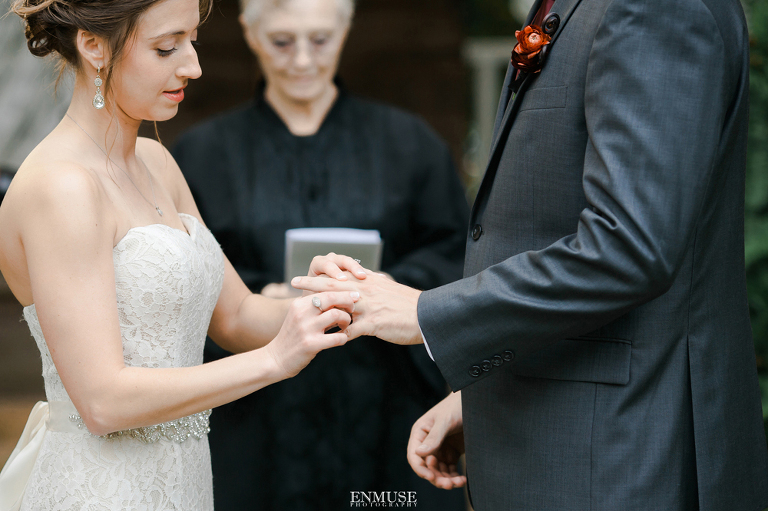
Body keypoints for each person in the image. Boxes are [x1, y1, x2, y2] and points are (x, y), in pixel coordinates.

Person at [293, 0, 768, 509]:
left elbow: (628, 247)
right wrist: (483, 394)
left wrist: (424, 313)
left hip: (620, 452)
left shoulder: (655, 7)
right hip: (567, 432)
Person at [0, 0, 363, 508]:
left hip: (186, 481)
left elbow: (237, 315)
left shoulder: (156, 161)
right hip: (104, 490)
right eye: (166, 47)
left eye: (192, 40)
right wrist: (275, 361)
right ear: (93, 46)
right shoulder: (62, 187)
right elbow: (102, 401)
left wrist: (339, 299)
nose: (192, 65)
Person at [171, 0, 469, 508]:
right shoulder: (201, 155)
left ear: (345, 29)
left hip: (385, 407)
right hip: (254, 423)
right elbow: (185, 272)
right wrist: (257, 294)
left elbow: (456, 252)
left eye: (321, 40)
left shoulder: (410, 145)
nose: (303, 60)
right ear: (251, 33)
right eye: (284, 41)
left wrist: (386, 287)